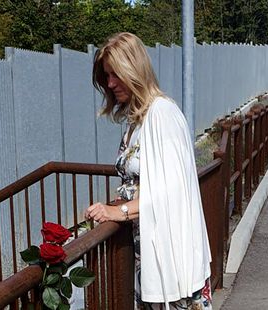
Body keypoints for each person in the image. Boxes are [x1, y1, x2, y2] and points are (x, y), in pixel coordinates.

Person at [84, 32, 212, 310]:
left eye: (115, 73)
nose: (110, 83)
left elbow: (173, 192)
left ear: (134, 69)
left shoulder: (162, 114)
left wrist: (120, 211)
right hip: (148, 250)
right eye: (106, 76)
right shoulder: (137, 119)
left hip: (168, 257)